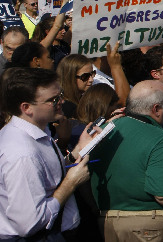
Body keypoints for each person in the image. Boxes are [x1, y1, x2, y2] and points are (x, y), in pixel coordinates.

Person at [90, 80, 163, 241]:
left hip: (108, 224)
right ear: (156, 109)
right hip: (148, 229)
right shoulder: (158, 138)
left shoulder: (108, 130)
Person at [0, 68, 95, 240]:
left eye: (61, 94)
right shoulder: (22, 154)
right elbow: (29, 223)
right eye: (53, 99)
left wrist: (76, 153)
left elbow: (47, 178)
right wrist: (71, 183)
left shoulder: (35, 133)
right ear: (26, 107)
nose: (62, 101)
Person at [56, 53, 95, 118]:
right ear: (70, 78)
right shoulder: (63, 108)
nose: (91, 80)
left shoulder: (86, 101)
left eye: (92, 74)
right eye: (85, 76)